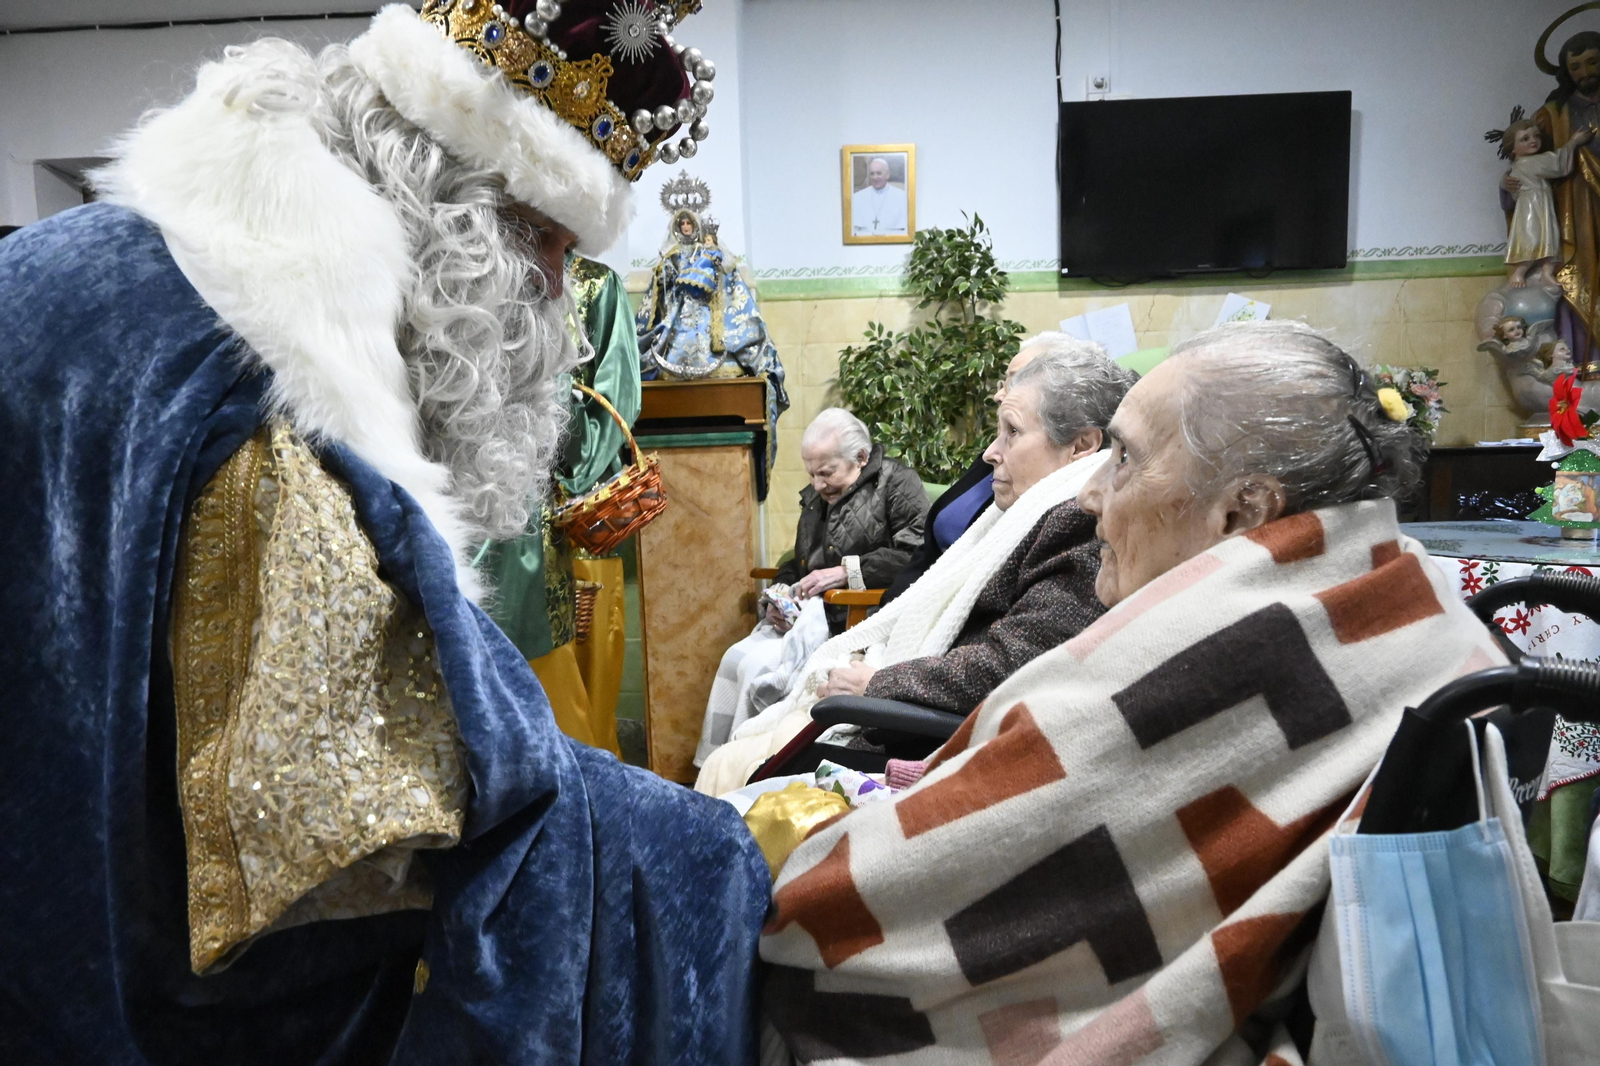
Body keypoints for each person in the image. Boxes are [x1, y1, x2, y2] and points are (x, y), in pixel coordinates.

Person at [0, 5, 771, 1064]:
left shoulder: (136, 264)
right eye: (545, 241)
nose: (556, 290)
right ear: (450, 201)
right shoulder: (270, 392)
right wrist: (706, 844)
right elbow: (330, 808)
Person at [754, 321, 1509, 1065]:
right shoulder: (1400, 590)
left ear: (1242, 511)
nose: (1088, 497)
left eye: (1124, 457)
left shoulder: (1199, 670)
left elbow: (839, 908)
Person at [697, 344, 1134, 795]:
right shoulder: (1032, 513)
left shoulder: (1079, 521)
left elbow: (1015, 663)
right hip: (917, 700)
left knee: (748, 778)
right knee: (739, 733)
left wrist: (878, 682)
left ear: (1082, 445)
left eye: (1011, 433)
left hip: (941, 743)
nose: (989, 453)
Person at [695, 408, 927, 765]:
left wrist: (845, 572)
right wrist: (779, 595)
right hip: (807, 616)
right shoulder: (823, 495)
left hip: (854, 619)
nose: (817, 485)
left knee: (758, 669)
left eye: (826, 473)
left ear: (861, 458)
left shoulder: (897, 483)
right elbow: (799, 562)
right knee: (735, 659)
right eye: (811, 474)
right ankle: (717, 764)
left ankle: (753, 767)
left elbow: (915, 554)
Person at [479, 254, 642, 757]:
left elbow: (613, 396)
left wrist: (571, 473)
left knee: (580, 692)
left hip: (561, 510)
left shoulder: (595, 285)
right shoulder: (474, 267)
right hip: (483, 504)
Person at [880, 334, 1076, 605]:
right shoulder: (991, 457)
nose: (998, 394)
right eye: (1004, 381)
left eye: (1015, 380)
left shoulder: (1050, 499)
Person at [1496, 115, 1595, 288]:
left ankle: (1546, 272)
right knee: (1531, 238)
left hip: (1542, 204)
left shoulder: (1522, 165)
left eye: (1536, 136)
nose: (1533, 141)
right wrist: (1573, 142)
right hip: (1531, 208)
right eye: (1525, 139)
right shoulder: (1529, 163)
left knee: (1550, 237)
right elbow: (1558, 163)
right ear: (1513, 149)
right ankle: (1520, 272)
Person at [850, 156, 908, 236]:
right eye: (872, 174)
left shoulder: (902, 197)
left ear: (887, 174)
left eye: (879, 173)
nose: (875, 177)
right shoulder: (857, 197)